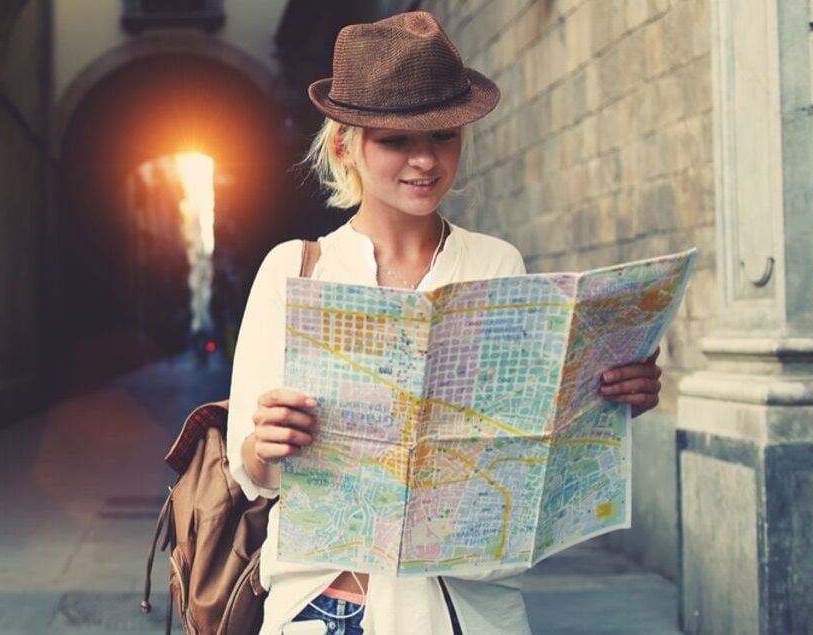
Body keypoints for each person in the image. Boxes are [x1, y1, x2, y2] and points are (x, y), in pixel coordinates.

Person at [225, 11, 663, 635]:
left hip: (467, 611)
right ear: (345, 143)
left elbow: (529, 441)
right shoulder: (295, 270)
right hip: (328, 608)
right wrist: (265, 446)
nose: (425, 161)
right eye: (396, 140)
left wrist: (611, 402)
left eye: (443, 136)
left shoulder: (496, 263)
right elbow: (250, 473)